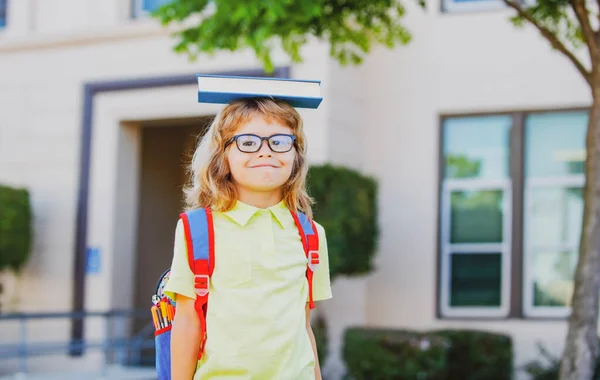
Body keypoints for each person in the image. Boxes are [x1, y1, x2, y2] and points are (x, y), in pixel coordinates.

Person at [163, 97, 332, 380]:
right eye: (248, 142)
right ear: (223, 155)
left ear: (296, 154)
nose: (265, 152)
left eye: (279, 141)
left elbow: (303, 328)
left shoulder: (312, 234)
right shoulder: (197, 229)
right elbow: (187, 322)